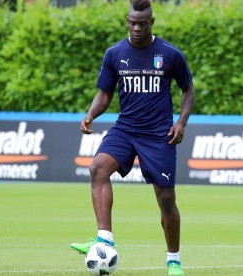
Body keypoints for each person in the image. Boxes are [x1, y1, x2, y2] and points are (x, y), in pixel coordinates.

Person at [69, 0, 195, 275]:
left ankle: (173, 260)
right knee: (98, 168)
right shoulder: (114, 53)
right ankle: (105, 239)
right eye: (132, 22)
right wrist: (91, 114)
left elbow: (188, 89)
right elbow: (104, 93)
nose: (136, 28)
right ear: (127, 21)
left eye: (142, 23)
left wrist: (181, 122)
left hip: (158, 134)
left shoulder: (170, 54)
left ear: (151, 22)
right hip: (126, 129)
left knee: (165, 199)